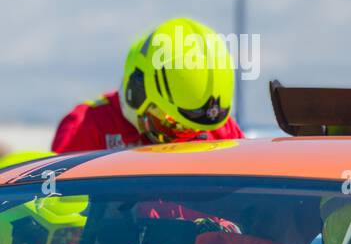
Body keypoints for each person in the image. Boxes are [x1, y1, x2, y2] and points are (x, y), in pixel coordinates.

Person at [53, 17, 244, 153]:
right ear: (136, 92)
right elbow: (56, 202)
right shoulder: (88, 127)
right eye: (172, 124)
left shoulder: (219, 129)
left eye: (193, 130)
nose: (183, 138)